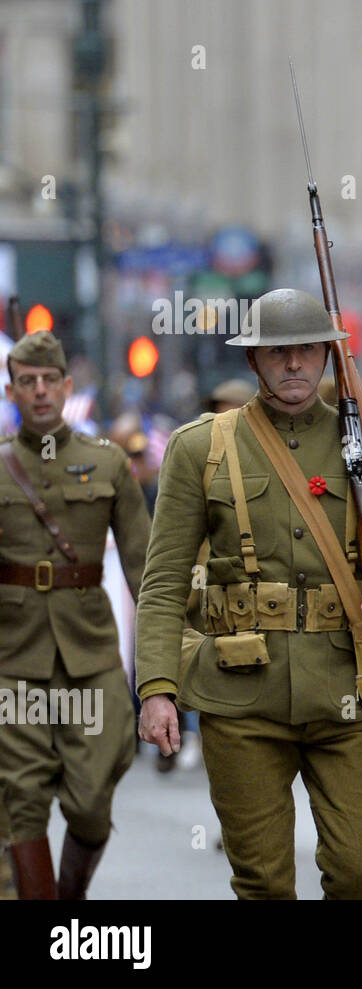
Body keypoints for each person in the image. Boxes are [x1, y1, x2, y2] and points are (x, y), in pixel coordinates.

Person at [134, 288, 362, 899]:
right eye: (278, 353)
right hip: (240, 698)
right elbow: (164, 581)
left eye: (307, 349)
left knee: (359, 873)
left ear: (328, 356)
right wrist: (156, 689)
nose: (294, 364)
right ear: (254, 361)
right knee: (263, 882)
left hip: (349, 689)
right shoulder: (200, 447)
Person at [0, 329, 148, 899]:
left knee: (92, 798)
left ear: (67, 387)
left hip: (90, 653)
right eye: (26, 382)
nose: (39, 392)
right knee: (21, 797)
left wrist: (169, 663)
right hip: (14, 656)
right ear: (13, 391)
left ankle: (71, 896)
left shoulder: (107, 464)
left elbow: (147, 569)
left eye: (48, 382)